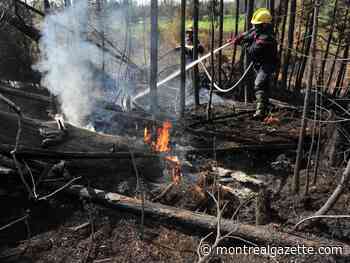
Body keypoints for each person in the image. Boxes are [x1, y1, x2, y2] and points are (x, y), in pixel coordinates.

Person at [229, 8, 278, 120]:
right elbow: (250, 34)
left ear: (264, 25)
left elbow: (252, 50)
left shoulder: (266, 38)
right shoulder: (260, 31)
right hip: (261, 64)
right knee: (263, 86)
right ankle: (263, 109)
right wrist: (237, 39)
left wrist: (242, 44)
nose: (255, 27)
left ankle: (261, 111)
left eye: (257, 25)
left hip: (268, 65)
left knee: (259, 84)